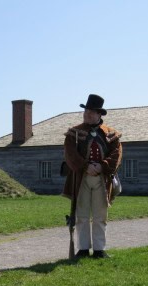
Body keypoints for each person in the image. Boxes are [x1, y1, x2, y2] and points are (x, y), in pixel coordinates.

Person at [63, 94, 122, 258]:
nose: (86, 114)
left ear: (99, 114)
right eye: (85, 111)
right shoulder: (74, 133)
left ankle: (99, 249)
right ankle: (82, 249)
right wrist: (85, 166)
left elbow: (117, 154)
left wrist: (101, 166)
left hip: (102, 179)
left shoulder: (111, 134)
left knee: (100, 216)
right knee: (81, 215)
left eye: (90, 112)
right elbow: (70, 153)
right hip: (81, 178)